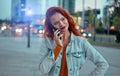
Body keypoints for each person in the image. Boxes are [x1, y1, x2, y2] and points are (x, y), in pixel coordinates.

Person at [39, 6, 109, 76]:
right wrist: (57, 48)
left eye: (63, 19)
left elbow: (103, 64)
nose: (61, 24)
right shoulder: (47, 42)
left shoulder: (81, 42)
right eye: (56, 23)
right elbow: (43, 70)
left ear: (67, 18)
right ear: (52, 27)